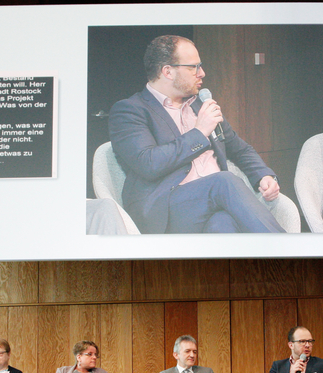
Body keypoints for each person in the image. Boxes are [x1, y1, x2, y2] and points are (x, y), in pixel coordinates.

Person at [108, 34, 285, 234]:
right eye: (194, 67)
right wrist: (200, 132)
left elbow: (240, 149)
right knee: (224, 181)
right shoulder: (130, 110)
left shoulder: (200, 105)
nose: (202, 73)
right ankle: (286, 247)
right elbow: (149, 163)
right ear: (168, 71)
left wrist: (263, 175)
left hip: (214, 203)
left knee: (222, 223)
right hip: (165, 209)